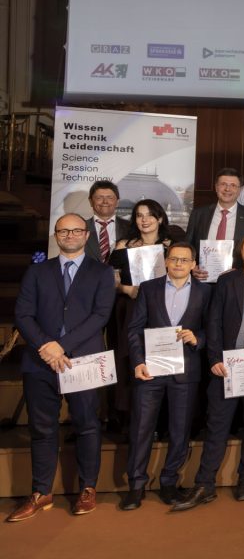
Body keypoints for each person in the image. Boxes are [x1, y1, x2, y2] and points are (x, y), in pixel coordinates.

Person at [8, 214, 115, 522]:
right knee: (42, 428)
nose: (70, 235)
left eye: (76, 230)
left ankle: (87, 488)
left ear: (86, 235)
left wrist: (62, 346)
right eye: (63, 231)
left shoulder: (102, 272)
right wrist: (47, 346)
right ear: (56, 236)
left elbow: (101, 315)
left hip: (83, 361)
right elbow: (23, 315)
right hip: (40, 361)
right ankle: (41, 492)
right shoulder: (37, 271)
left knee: (87, 425)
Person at [170, 233, 244, 511]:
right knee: (216, 426)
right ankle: (204, 484)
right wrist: (214, 359)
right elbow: (214, 323)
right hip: (226, 367)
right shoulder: (226, 281)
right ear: (241, 250)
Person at [121, 242, 211, 510]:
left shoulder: (206, 292)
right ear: (166, 262)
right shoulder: (149, 289)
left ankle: (169, 482)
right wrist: (138, 362)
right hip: (151, 370)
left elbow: (213, 329)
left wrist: (198, 338)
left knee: (180, 430)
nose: (179, 264)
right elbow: (134, 329)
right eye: (174, 259)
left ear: (193, 264)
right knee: (141, 429)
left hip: (186, 371)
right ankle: (136, 486)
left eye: (185, 260)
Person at [106, 199, 178, 430]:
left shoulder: (172, 246)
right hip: (129, 308)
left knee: (161, 357)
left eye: (150, 215)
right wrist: (128, 290)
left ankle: (161, 420)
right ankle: (129, 418)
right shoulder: (123, 245)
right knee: (130, 358)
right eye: (139, 215)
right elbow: (111, 281)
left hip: (163, 311)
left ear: (160, 218)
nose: (144, 220)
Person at [185, 167, 244, 280]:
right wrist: (192, 267)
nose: (227, 189)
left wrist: (242, 271)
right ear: (216, 187)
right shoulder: (198, 214)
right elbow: (187, 247)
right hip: (202, 281)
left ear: (240, 189)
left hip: (238, 282)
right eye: (223, 184)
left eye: (233, 185)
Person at [84, 180, 131, 264]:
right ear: (90, 201)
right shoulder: (80, 228)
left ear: (117, 202)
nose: (105, 202)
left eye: (110, 198)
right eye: (99, 198)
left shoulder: (131, 227)